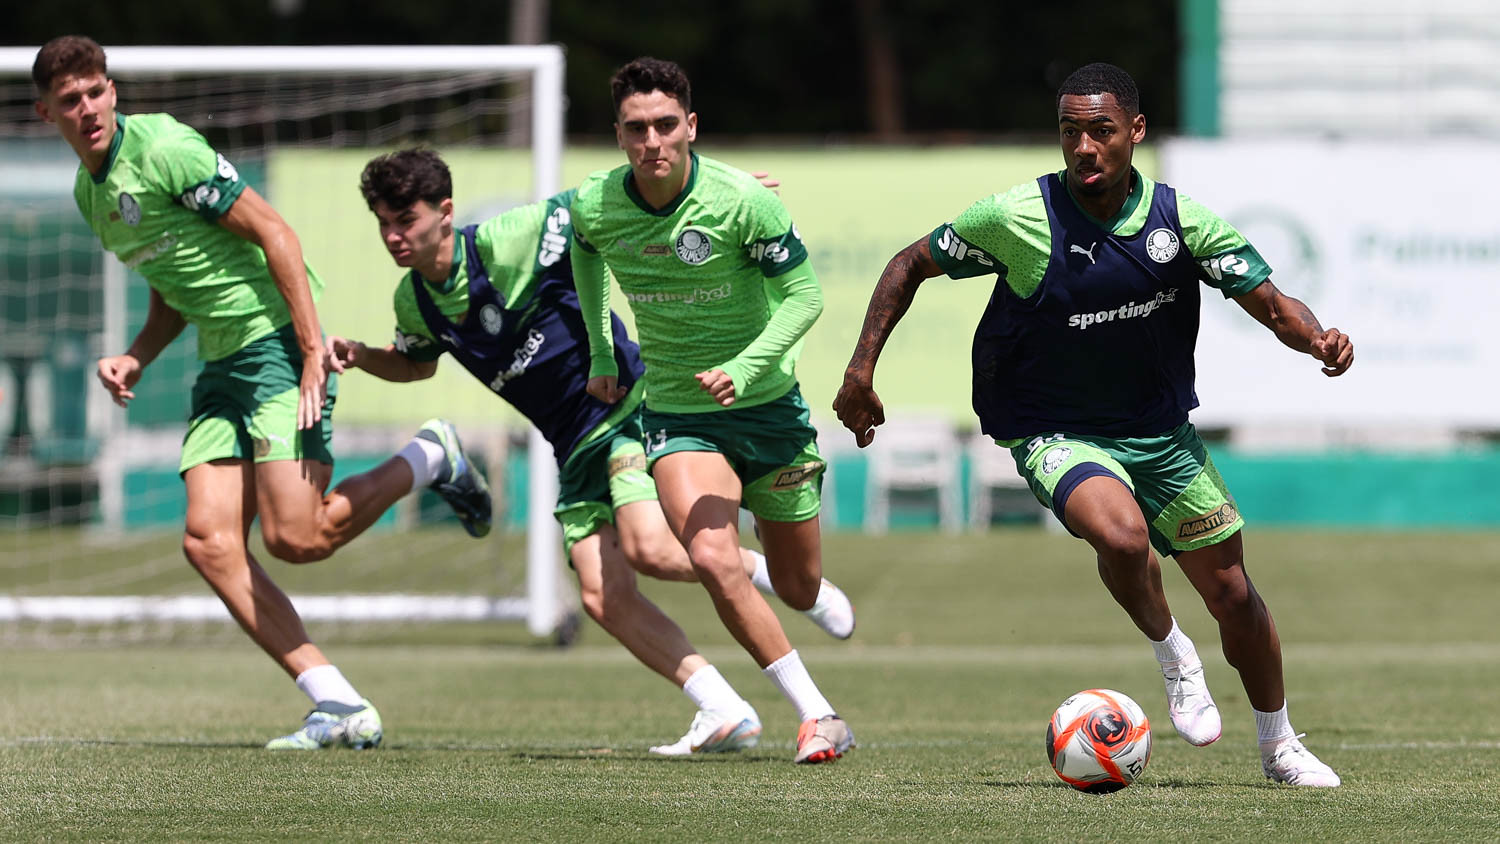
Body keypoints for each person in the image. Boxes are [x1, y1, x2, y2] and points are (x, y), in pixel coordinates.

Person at [834, 63, 1352, 787]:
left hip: (1160, 433)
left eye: (1101, 131)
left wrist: (1318, 338)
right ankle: (1174, 654)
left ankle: (1280, 746)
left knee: (1234, 594)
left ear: (1135, 132)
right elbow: (907, 263)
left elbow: (1269, 301)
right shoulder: (1018, 216)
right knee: (1120, 533)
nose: (1084, 147)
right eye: (1070, 131)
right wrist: (861, 370)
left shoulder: (1181, 221)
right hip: (1053, 428)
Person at [33, 35, 493, 751]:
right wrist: (137, 357)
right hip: (222, 367)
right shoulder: (90, 196)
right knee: (208, 542)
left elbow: (277, 232)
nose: (86, 108)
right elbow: (175, 289)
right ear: (46, 114)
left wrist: (311, 348)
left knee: (295, 538)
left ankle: (429, 457)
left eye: (95, 92)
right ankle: (336, 702)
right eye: (70, 101)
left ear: (113, 92)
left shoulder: (165, 151)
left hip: (277, 345)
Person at [328, 147, 856, 755]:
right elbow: (417, 363)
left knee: (649, 548)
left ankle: (768, 579)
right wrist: (362, 356)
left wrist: (717, 195)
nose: (394, 236)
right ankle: (721, 706)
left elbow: (602, 207)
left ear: (445, 213)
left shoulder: (512, 237)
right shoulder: (413, 301)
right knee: (601, 595)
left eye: (406, 220)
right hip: (570, 442)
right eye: (384, 225)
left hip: (624, 407)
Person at [571, 57, 854, 764]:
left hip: (770, 412)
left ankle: (794, 583)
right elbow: (585, 255)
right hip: (679, 415)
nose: (652, 141)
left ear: (691, 127)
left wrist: (745, 367)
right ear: (618, 136)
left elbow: (806, 298)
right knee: (709, 556)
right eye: (636, 129)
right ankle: (819, 715)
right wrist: (603, 353)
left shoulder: (741, 200)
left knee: (798, 585)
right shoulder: (595, 204)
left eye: (666, 125)